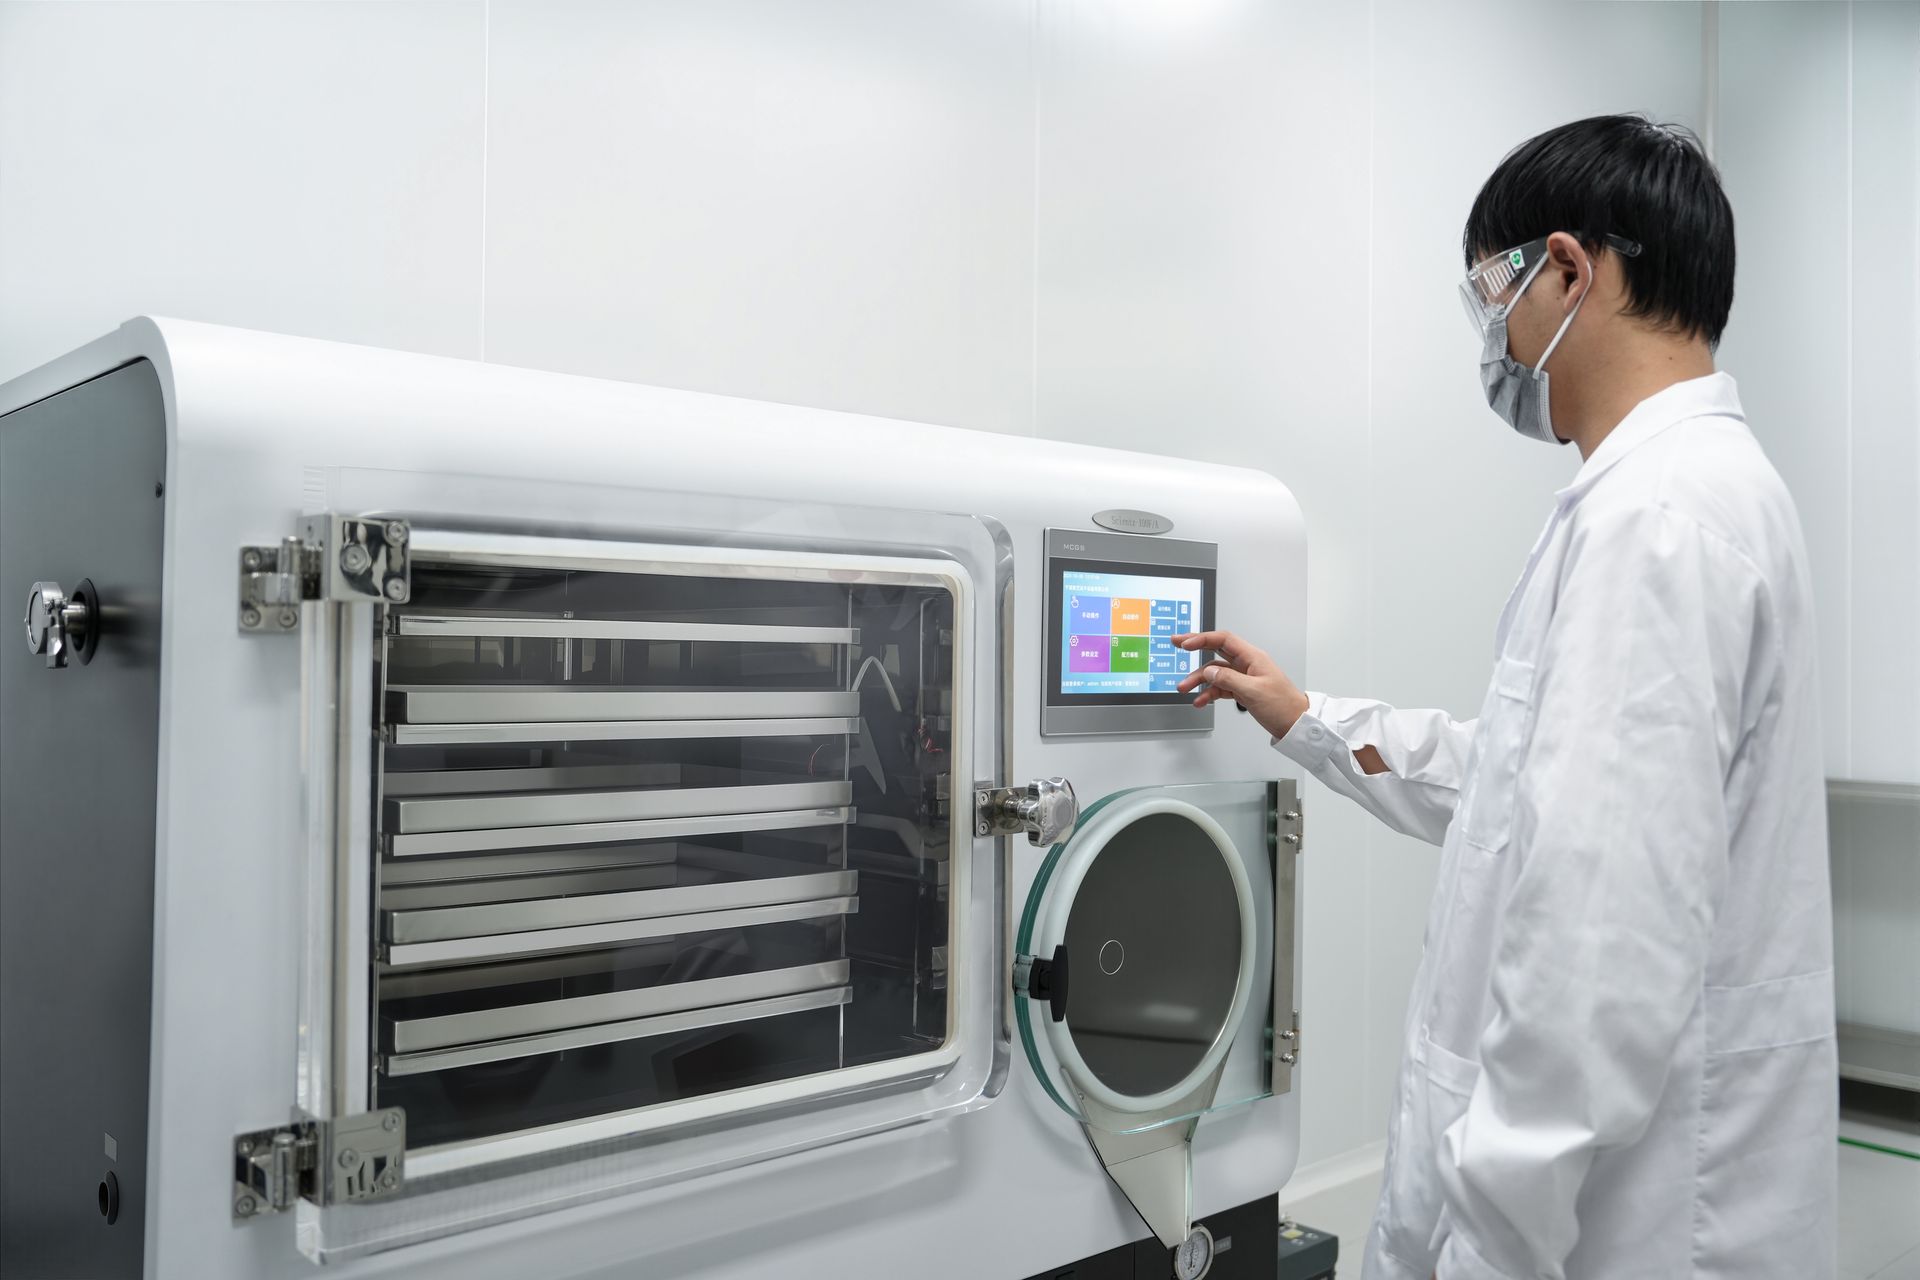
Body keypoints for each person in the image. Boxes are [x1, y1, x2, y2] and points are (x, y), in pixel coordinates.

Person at [1174, 115, 1835, 1279]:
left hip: (1613, 1228)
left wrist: (1487, 1242)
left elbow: (1597, 937)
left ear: (1570, 270)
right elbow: (1525, 789)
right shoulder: (1686, 493)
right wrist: (1308, 717)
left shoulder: (1657, 519)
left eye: (1495, 293)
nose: (1496, 336)